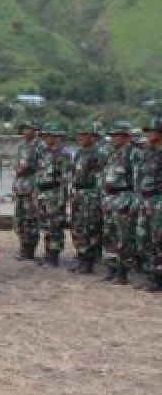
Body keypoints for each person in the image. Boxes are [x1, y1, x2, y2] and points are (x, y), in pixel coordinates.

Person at [101, 120, 136, 285]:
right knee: (109, 235)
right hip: (110, 199)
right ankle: (111, 268)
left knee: (123, 237)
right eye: (112, 136)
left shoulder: (132, 154)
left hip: (124, 197)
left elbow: (137, 179)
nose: (114, 139)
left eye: (117, 136)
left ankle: (123, 271)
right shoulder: (112, 154)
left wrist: (133, 201)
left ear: (125, 137)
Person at [69, 123, 106, 275]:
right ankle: (81, 258)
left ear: (92, 137)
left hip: (91, 194)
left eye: (85, 135)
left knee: (90, 227)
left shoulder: (99, 154)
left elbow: (101, 177)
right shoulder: (79, 153)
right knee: (77, 226)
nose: (82, 138)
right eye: (80, 135)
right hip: (78, 193)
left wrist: (97, 196)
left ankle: (89, 262)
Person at [35, 123, 70, 267]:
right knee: (45, 224)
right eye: (45, 136)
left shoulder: (63, 154)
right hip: (43, 193)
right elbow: (39, 175)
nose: (47, 139)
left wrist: (62, 199)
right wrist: (36, 193)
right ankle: (48, 252)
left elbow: (65, 178)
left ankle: (54, 255)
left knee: (55, 225)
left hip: (55, 193)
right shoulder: (43, 153)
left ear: (56, 137)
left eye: (50, 136)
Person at [134, 116, 161, 292]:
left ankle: (158, 279)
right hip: (145, 200)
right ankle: (151, 275)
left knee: (158, 239)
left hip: (159, 200)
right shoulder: (148, 153)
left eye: (151, 131)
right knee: (145, 238)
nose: (148, 135)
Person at [12, 120, 43, 260]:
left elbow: (41, 168)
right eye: (24, 129)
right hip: (20, 186)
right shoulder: (21, 147)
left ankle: (30, 249)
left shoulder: (39, 147)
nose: (26, 132)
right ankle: (23, 246)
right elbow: (17, 167)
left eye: (29, 129)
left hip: (32, 186)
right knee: (20, 219)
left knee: (31, 219)